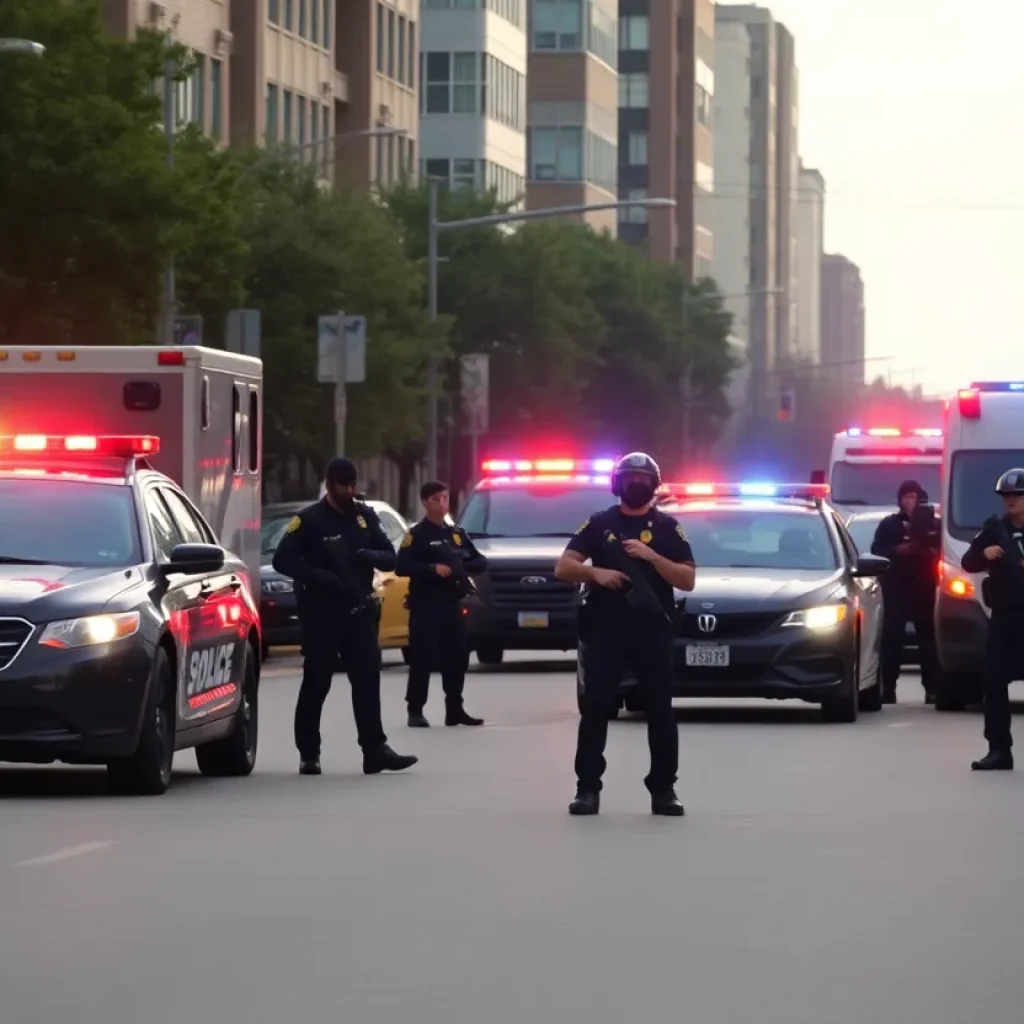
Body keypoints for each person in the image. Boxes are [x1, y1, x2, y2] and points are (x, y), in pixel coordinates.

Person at [554, 452, 696, 817]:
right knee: (597, 708)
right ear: (618, 483)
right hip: (606, 629)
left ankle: (664, 789)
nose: (636, 483)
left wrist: (651, 557)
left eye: (643, 478)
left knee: (660, 710)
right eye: (629, 477)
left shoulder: (667, 528)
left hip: (652, 630)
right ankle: (587, 789)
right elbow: (564, 566)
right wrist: (596, 574)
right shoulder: (600, 524)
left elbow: (688, 579)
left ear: (654, 484)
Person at [272, 457, 418, 776]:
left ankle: (374, 750)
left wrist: (369, 556)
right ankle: (309, 753)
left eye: (353, 485)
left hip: (358, 610)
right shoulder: (310, 520)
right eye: (344, 486)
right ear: (329, 484)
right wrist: (319, 576)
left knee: (367, 680)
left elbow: (390, 557)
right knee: (318, 681)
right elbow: (283, 560)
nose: (350, 491)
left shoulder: (364, 517)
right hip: (321, 613)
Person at [396, 480, 488, 728]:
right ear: (425, 502)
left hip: (451, 604)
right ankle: (415, 710)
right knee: (422, 657)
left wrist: (460, 567)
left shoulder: (455, 535)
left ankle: (454, 709)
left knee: (457, 657)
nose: (442, 503)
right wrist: (431, 569)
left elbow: (480, 561)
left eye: (446, 498)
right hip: (425, 604)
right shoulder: (417, 535)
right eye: (436, 499)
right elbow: (402, 566)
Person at [961, 468, 1024, 771]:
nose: (1011, 500)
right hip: (1004, 617)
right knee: (995, 681)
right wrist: (985, 553)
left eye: (1017, 495)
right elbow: (968, 561)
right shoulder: (994, 528)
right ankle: (999, 749)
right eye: (1007, 496)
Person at [870, 480, 940, 704]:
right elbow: (878, 552)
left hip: (925, 587)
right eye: (907, 496)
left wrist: (927, 549)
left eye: (915, 496)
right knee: (892, 639)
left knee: (928, 639)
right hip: (897, 587)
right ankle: (888, 689)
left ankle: (933, 689)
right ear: (900, 500)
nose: (911, 501)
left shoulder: (934, 525)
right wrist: (901, 549)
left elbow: (942, 551)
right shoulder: (889, 525)